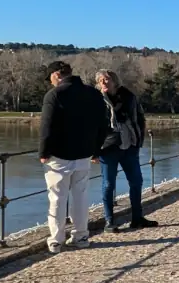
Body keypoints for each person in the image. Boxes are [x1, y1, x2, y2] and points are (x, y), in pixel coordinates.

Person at [39, 61, 109, 253]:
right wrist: (96, 149)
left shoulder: (54, 95)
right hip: (84, 153)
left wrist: (43, 152)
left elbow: (47, 126)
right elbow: (103, 125)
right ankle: (81, 236)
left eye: (50, 78)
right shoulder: (93, 94)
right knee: (81, 196)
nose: (50, 83)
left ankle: (56, 240)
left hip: (59, 154)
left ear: (55, 75)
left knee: (57, 198)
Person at [95, 69, 159, 232]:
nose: (104, 82)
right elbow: (91, 125)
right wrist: (94, 150)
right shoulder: (96, 99)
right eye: (100, 80)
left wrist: (139, 140)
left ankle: (137, 218)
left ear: (115, 81)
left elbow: (140, 117)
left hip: (130, 145)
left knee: (136, 181)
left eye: (107, 79)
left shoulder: (129, 97)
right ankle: (109, 221)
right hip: (108, 147)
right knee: (108, 184)